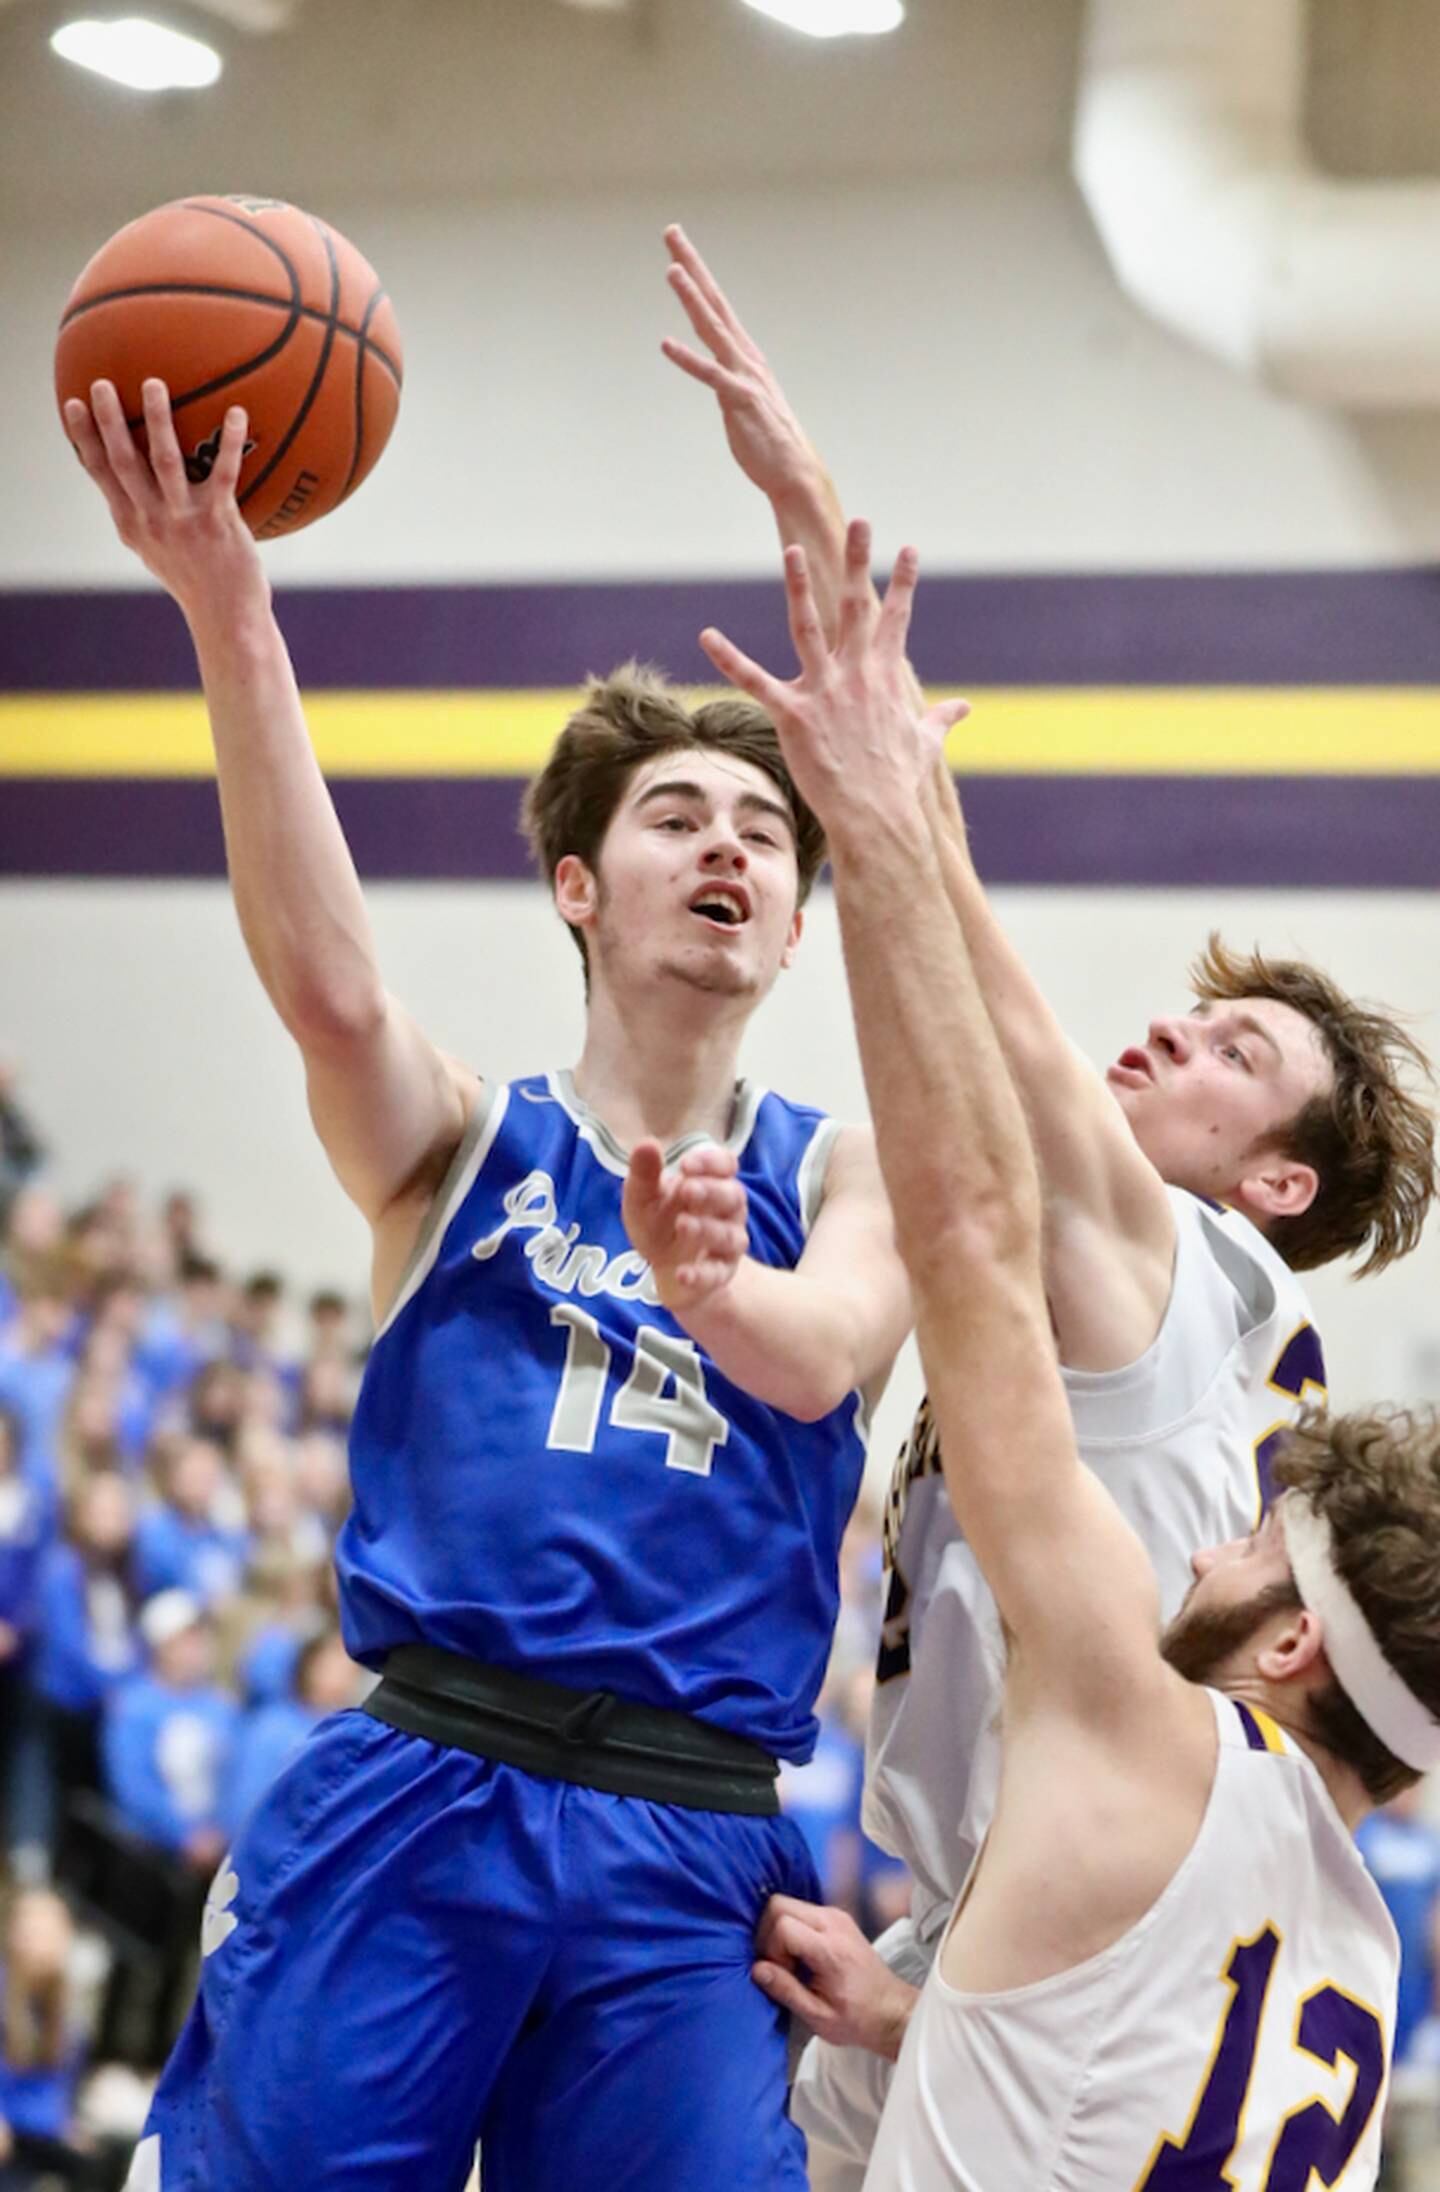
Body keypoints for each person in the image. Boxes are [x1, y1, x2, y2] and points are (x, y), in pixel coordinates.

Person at [62, 376, 911, 2192]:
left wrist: (715, 1291)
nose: (733, 849)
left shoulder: (841, 1171)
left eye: (766, 833)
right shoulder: (467, 1142)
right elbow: (332, 991)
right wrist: (232, 613)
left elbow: (828, 1358)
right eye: (681, 816)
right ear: (578, 887)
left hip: (688, 1839)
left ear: (791, 918)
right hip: (427, 1779)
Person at [662, 225, 1439, 2182]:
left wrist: (866, 739)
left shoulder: (1189, 1267)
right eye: (1193, 1015)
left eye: (1241, 1059)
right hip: (1061, 1934)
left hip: (1067, 1854)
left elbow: (979, 1153)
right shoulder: (1353, 1910)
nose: (1172, 1043)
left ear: (1283, 1185)